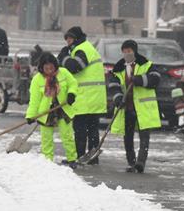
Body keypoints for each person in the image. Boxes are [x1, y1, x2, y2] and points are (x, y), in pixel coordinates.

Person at [107, 40, 161, 173]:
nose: (127, 54)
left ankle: (140, 162)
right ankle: (131, 162)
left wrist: (140, 79)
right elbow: (113, 85)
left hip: (143, 107)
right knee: (128, 136)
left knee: (144, 136)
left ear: (134, 51)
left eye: (129, 51)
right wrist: (118, 97)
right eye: (124, 51)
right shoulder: (118, 68)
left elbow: (156, 79)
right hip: (127, 107)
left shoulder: (146, 64)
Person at [58, 27, 107, 164]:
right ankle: (92, 157)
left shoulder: (82, 49)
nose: (68, 42)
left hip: (85, 97)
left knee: (80, 130)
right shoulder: (89, 48)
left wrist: (63, 57)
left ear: (77, 38)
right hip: (94, 97)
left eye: (70, 39)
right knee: (92, 129)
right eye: (66, 39)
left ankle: (79, 157)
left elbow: (74, 67)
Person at [26, 53, 79, 168]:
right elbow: (34, 100)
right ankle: (47, 161)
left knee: (67, 135)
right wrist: (30, 115)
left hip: (63, 109)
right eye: (46, 68)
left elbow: (73, 84)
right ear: (41, 67)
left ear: (55, 65)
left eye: (51, 67)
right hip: (46, 113)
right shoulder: (37, 79)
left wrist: (71, 94)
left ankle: (72, 159)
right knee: (46, 139)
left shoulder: (63, 73)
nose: (49, 70)